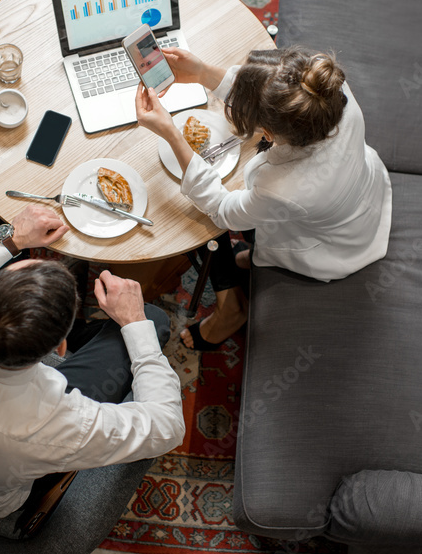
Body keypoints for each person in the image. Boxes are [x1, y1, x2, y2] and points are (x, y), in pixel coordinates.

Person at [0, 204, 185, 521]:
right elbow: (167, 425)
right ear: (59, 348)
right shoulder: (64, 423)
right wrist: (135, 321)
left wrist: (12, 240)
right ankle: (106, 328)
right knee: (154, 318)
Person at [135, 46, 393, 349]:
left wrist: (171, 133)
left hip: (330, 244)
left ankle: (231, 308)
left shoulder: (285, 187)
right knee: (241, 236)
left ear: (267, 132)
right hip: (360, 187)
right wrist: (202, 73)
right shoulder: (328, 92)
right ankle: (249, 259)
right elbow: (276, 93)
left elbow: (222, 210)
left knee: (203, 225)